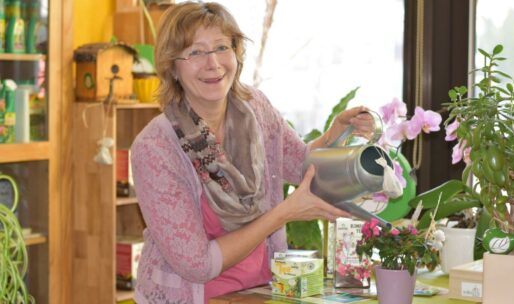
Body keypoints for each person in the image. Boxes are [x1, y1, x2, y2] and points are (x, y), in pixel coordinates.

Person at [130, 2, 376, 303]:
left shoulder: (255, 108)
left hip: (259, 291)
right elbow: (198, 265)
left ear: (237, 54)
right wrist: (282, 214)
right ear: (173, 67)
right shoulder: (155, 148)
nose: (213, 63)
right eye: (195, 52)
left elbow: (300, 164)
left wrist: (336, 132)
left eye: (222, 47)